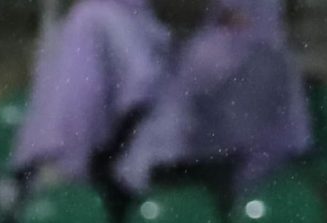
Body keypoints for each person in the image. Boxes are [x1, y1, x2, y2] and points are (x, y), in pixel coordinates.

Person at [115, 0, 314, 200]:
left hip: (249, 173)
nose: (235, 20)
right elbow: (170, 121)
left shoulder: (273, 60)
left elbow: (286, 134)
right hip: (194, 169)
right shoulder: (207, 50)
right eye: (228, 12)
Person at [7, 0, 172, 196]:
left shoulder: (95, 15)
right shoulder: (85, 16)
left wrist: (101, 161)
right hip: (94, 168)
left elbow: (142, 88)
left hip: (115, 171)